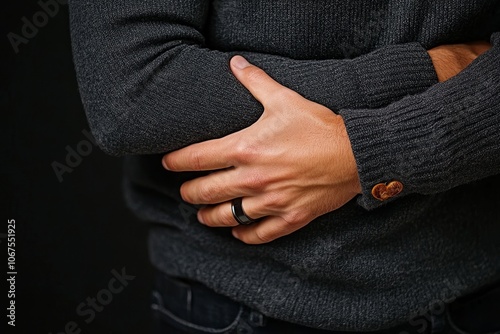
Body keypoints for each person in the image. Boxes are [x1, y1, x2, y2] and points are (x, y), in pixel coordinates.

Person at [69, 0, 500, 333]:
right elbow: (136, 93)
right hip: (237, 299)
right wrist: (433, 70)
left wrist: (362, 152)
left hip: (478, 284)